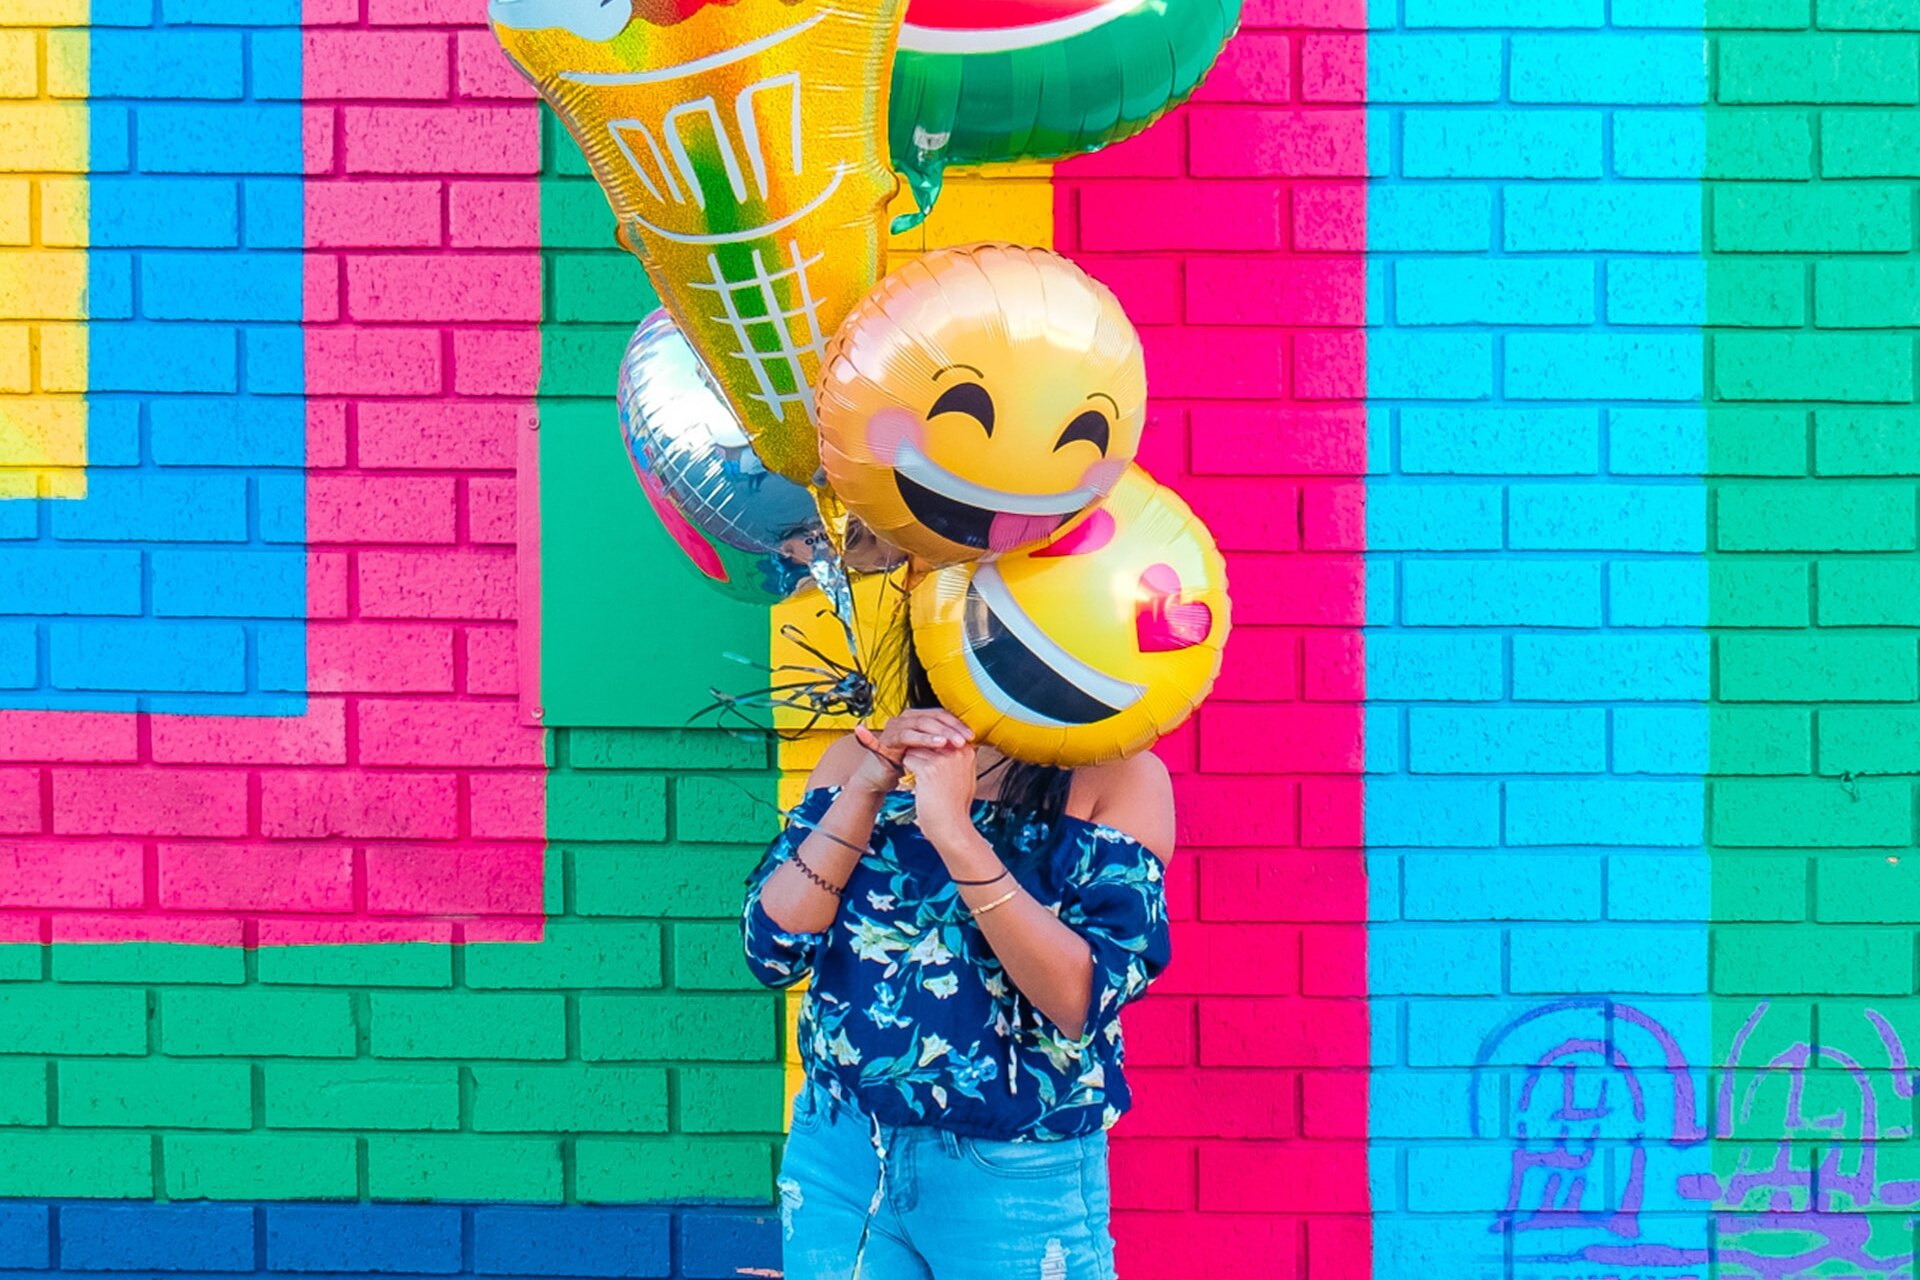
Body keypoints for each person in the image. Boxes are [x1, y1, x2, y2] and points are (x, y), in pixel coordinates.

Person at [740, 648, 1175, 1279]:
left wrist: (953, 829)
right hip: (841, 1153)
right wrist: (868, 786)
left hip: (1015, 1169)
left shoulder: (1117, 778)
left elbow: (1081, 1000)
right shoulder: (853, 763)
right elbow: (772, 952)